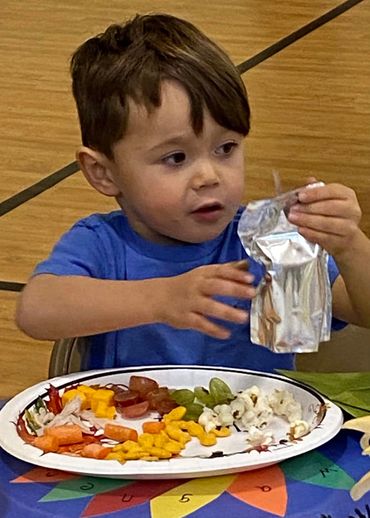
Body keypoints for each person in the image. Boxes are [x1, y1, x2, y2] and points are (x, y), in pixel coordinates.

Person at [15, 13, 370, 373]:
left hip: (264, 426)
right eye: (176, 158)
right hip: (131, 427)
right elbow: (36, 310)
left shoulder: (269, 236)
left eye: (226, 148)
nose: (208, 176)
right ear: (104, 174)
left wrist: (349, 245)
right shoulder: (103, 245)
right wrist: (162, 298)